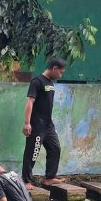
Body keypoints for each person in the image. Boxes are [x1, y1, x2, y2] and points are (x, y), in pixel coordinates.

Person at [22, 57, 66, 190]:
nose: (61, 75)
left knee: (55, 148)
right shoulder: (37, 82)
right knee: (32, 152)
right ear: (54, 68)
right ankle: (26, 180)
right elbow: (30, 102)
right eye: (60, 72)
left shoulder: (51, 83)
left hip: (48, 125)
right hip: (36, 125)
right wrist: (27, 123)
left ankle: (49, 178)